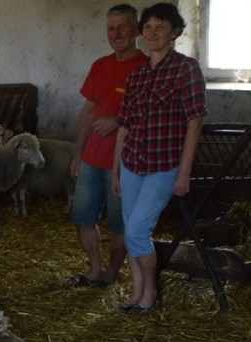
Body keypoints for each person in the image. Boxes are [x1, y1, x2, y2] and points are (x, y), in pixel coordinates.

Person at [112, 2, 207, 314]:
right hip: (132, 163)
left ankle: (150, 293)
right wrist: (115, 170)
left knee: (138, 231)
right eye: (148, 27)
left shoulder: (186, 69)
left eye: (161, 27)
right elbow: (124, 126)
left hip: (164, 165)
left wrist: (184, 171)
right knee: (130, 231)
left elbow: (194, 121)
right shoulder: (136, 76)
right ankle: (136, 294)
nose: (152, 33)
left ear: (175, 32)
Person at [69, 4, 147, 289]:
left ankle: (113, 270)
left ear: (136, 30)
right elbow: (88, 110)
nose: (116, 34)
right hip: (91, 158)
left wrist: (118, 121)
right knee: (82, 216)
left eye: (122, 26)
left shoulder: (146, 68)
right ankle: (94, 269)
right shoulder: (100, 66)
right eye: (111, 28)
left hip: (126, 163)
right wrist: (78, 151)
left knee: (119, 223)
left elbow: (154, 116)